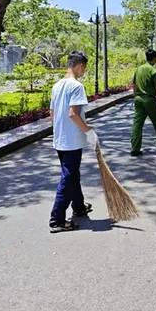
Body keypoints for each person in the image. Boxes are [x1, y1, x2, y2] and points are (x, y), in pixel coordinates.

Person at [48, 51, 98, 233]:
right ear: (80, 66)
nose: (84, 71)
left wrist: (59, 132)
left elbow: (51, 115)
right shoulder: (76, 86)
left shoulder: (57, 86)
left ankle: (79, 207)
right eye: (84, 67)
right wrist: (88, 131)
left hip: (60, 139)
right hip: (71, 141)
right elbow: (73, 113)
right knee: (68, 177)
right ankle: (57, 219)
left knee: (72, 175)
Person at [130, 49, 156, 156]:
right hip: (150, 100)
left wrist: (135, 96)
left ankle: (135, 149)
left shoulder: (138, 69)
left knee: (137, 124)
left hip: (138, 99)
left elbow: (133, 84)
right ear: (154, 58)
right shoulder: (154, 71)